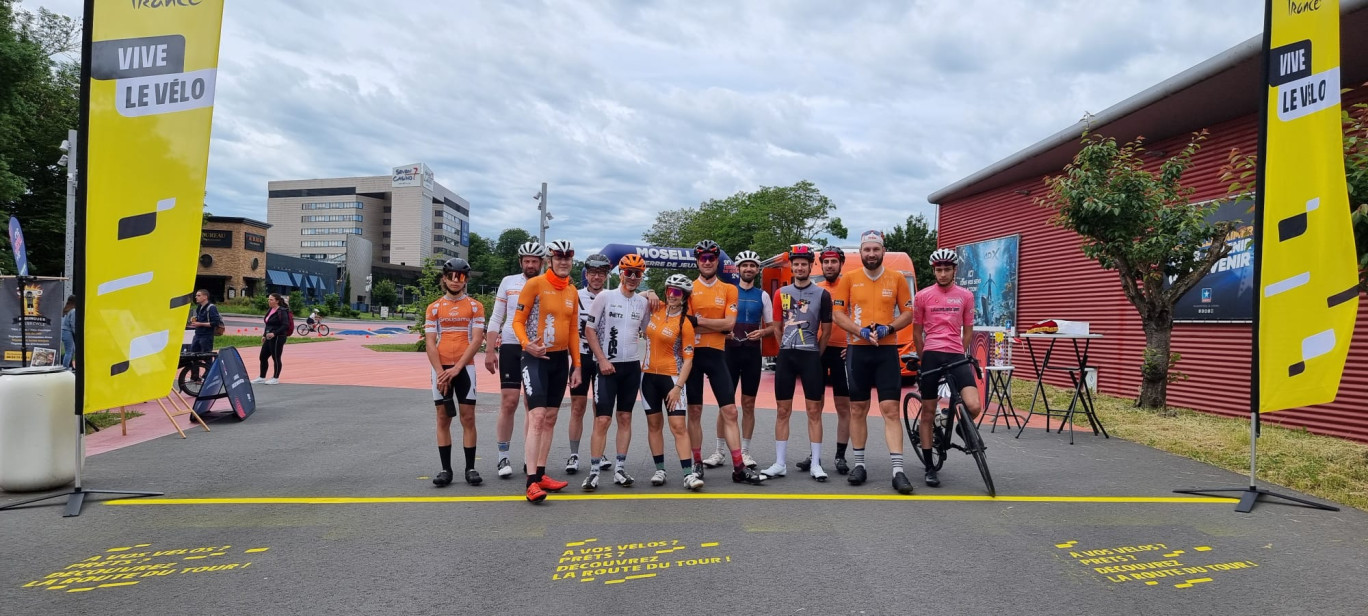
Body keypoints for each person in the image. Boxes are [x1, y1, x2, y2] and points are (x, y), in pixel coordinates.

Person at [830, 230, 917, 494]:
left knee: (890, 410)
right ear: (861, 251)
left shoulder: (897, 278)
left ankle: (898, 471)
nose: (871, 254)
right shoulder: (849, 279)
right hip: (858, 350)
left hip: (886, 351)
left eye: (875, 250)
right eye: (866, 250)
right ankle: (859, 465)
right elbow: (837, 313)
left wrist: (888, 329)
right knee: (858, 409)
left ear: (883, 251)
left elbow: (909, 312)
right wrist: (859, 331)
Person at [687, 239, 765, 485]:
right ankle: (696, 463)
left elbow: (729, 324)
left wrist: (699, 321)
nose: (708, 262)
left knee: (730, 410)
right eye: (703, 258)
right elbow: (686, 322)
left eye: (712, 258)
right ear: (698, 261)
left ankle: (739, 467)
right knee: (695, 411)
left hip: (717, 354)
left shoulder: (729, 289)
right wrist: (712, 324)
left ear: (718, 261)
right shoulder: (688, 288)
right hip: (693, 356)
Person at [511, 239, 582, 503]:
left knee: (551, 417)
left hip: (559, 359)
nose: (563, 261)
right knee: (538, 416)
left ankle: (541, 473)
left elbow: (574, 330)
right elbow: (517, 320)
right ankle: (530, 481)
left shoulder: (572, 291)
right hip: (535, 358)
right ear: (550, 260)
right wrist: (527, 345)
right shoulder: (535, 285)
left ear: (572, 260)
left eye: (568, 257)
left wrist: (577, 365)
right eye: (558, 257)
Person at [761, 244, 833, 481]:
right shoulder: (781, 293)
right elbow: (777, 327)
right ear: (791, 266)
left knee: (814, 411)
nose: (800, 267)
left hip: (811, 355)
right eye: (796, 264)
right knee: (783, 410)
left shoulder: (823, 294)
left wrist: (815, 353)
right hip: (787, 356)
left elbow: (827, 329)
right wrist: (784, 348)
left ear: (811, 266)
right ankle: (780, 463)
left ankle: (816, 464)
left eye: (804, 264)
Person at [914, 248, 982, 488]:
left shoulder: (965, 296)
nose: (942, 274)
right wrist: (924, 359)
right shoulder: (922, 296)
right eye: (938, 269)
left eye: (946, 269)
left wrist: (960, 352)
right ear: (934, 270)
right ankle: (930, 467)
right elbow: (917, 331)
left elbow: (969, 329)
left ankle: (953, 421)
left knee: (974, 405)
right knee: (927, 413)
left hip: (955, 354)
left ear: (955, 270)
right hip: (932, 353)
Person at [581, 253, 650, 489]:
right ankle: (593, 471)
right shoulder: (605, 297)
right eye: (628, 272)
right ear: (620, 273)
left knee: (625, 417)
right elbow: (589, 330)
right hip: (607, 366)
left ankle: (620, 469)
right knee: (602, 419)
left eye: (637, 273)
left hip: (631, 366)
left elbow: (650, 332)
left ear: (641, 277)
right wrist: (601, 360)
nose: (632, 277)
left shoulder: (643, 303)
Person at [484, 241, 545, 479]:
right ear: (521, 262)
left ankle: (529, 459)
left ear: (541, 263)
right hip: (510, 344)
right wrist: (490, 351)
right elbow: (497, 317)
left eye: (535, 261)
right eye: (526, 261)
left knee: (533, 406)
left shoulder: (547, 282)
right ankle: (503, 457)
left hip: (537, 347)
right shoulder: (508, 282)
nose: (530, 265)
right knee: (509, 402)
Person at [639, 274, 704, 491]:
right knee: (654, 425)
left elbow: (688, 360)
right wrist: (649, 292)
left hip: (672, 378)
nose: (672, 295)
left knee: (678, 427)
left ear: (685, 297)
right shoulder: (655, 308)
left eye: (678, 292)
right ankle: (660, 469)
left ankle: (688, 474)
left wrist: (678, 388)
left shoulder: (685, 323)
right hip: (647, 377)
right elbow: (634, 297)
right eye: (670, 290)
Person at [425, 258, 485, 487]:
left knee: (468, 417)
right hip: (441, 368)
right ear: (444, 278)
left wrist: (458, 368)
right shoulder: (434, 307)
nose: (454, 281)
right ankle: (445, 469)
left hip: (465, 367)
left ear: (465, 280)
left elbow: (477, 339)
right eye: (450, 276)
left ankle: (470, 468)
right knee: (443, 418)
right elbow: (431, 343)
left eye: (459, 277)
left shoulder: (475, 306)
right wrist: (441, 372)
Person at [718, 249, 774, 469]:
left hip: (751, 353)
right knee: (726, 403)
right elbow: (719, 321)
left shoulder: (763, 295)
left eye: (752, 265)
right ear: (738, 269)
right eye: (745, 265)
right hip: (729, 352)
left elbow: (771, 327)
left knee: (748, 404)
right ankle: (719, 451)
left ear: (757, 270)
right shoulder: (729, 292)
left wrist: (761, 333)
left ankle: (745, 451)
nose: (748, 269)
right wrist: (725, 332)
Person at [799, 245, 853, 475]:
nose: (830, 265)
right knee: (815, 407)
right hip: (816, 352)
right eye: (826, 262)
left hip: (842, 352)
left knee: (843, 406)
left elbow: (860, 315)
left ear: (841, 263)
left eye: (834, 261)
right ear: (821, 265)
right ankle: (815, 455)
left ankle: (840, 456)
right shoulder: (816, 288)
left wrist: (853, 344)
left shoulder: (849, 286)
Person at [565, 253, 613, 476]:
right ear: (586, 274)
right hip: (581, 358)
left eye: (601, 273)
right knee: (577, 407)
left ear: (606, 275)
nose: (596, 277)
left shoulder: (611, 296)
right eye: (592, 273)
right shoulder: (575, 295)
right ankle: (574, 455)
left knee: (600, 409)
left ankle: (599, 452)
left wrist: (650, 291)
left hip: (603, 359)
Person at [253, 293, 291, 384]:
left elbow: (285, 325)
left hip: (278, 337)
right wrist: (264, 335)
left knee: (276, 357)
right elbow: (268, 324)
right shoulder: (270, 309)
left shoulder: (282, 311)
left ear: (277, 301)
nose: (269, 301)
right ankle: (262, 377)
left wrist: (274, 333)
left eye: (271, 299)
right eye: (268, 299)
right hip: (268, 336)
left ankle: (275, 378)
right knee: (263, 356)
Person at [186, 289, 223, 381]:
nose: (196, 297)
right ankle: (194, 377)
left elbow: (214, 323)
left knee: (206, 356)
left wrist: (200, 324)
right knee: (193, 355)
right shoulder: (199, 307)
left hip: (206, 336)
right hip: (198, 334)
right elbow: (199, 320)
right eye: (196, 295)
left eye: (198, 295)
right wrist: (195, 320)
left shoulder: (211, 308)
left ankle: (206, 377)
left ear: (205, 297)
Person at [60, 295, 77, 368]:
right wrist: (76, 333)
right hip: (68, 331)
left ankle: (66, 366)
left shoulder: (66, 310)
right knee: (69, 351)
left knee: (71, 350)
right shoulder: (73, 311)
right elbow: (73, 323)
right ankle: (65, 368)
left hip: (64, 331)